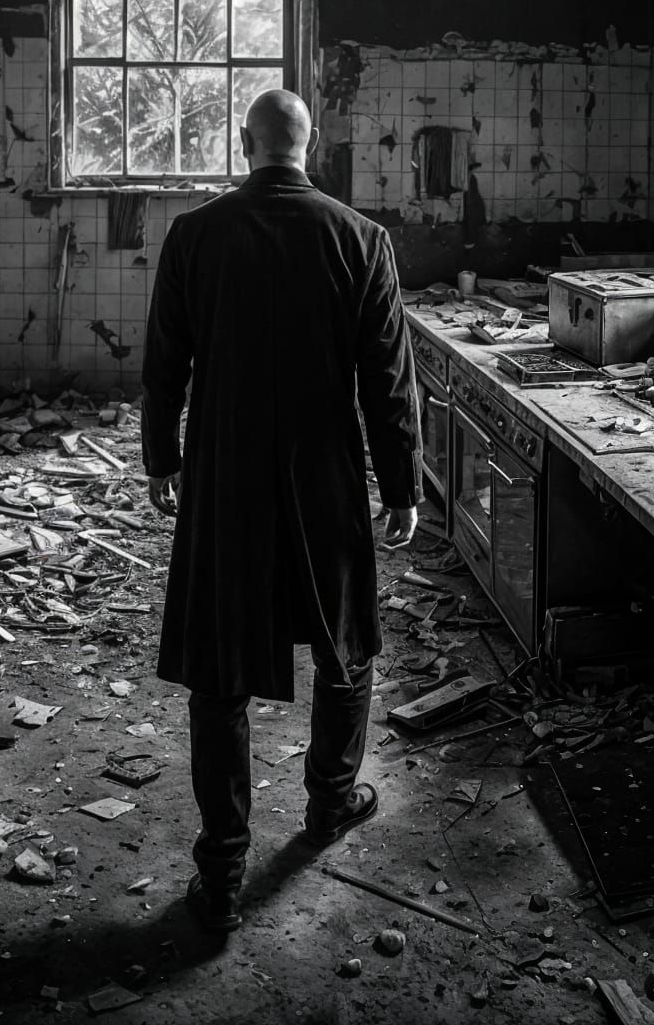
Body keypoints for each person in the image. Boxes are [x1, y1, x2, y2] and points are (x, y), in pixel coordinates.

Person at [141, 88, 421, 934]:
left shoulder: (195, 235)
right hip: (325, 475)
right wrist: (402, 485)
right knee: (345, 644)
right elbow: (389, 382)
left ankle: (222, 872)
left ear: (244, 142)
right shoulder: (360, 239)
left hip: (226, 477)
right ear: (314, 144)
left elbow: (164, 365)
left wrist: (164, 457)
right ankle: (330, 802)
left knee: (220, 669)